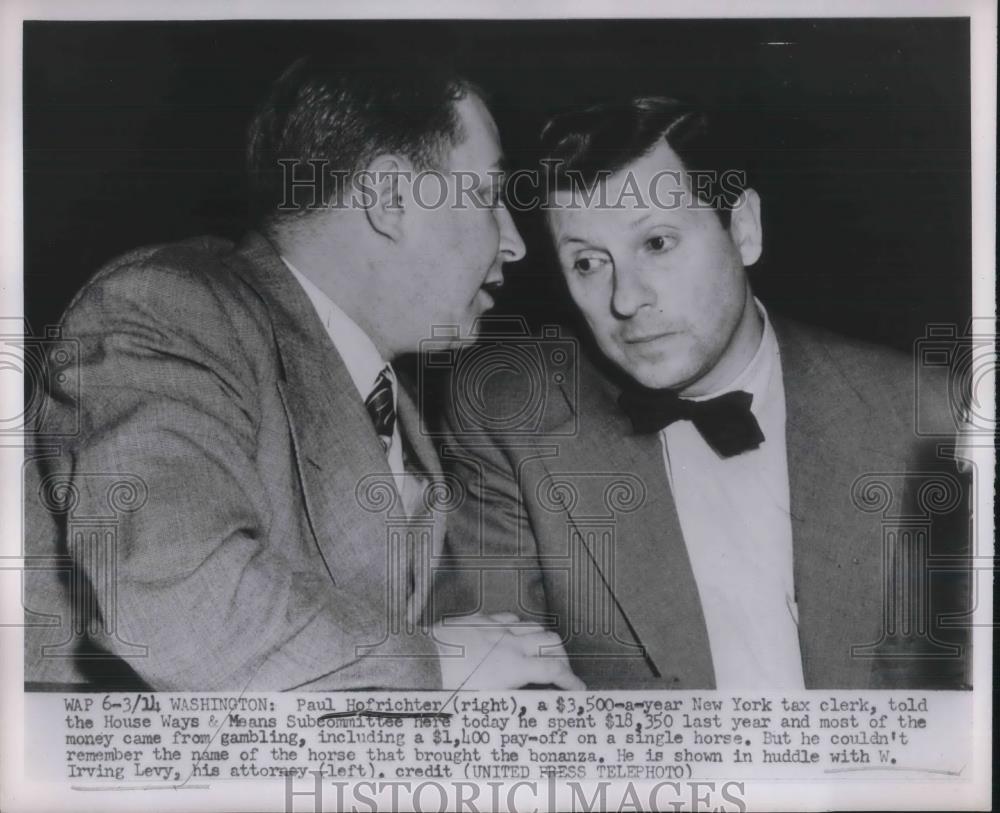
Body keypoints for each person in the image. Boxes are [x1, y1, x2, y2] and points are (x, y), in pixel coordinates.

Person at [23, 52, 583, 692]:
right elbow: (175, 605)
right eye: (486, 195)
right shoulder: (167, 307)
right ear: (392, 198)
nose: (514, 242)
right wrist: (439, 662)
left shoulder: (389, 399)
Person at [439, 96, 970, 690]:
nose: (626, 300)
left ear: (742, 230)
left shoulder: (930, 415)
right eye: (589, 263)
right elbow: (507, 696)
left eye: (658, 244)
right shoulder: (509, 419)